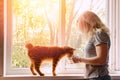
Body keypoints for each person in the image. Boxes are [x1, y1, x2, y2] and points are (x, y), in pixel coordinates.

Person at [71, 11, 111, 80]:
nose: (82, 30)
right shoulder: (94, 35)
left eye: (81, 26)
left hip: (99, 77)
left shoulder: (100, 34)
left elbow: (101, 60)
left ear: (86, 23)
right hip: (95, 77)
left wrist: (79, 59)